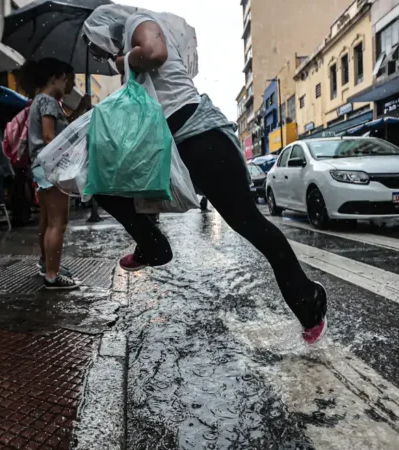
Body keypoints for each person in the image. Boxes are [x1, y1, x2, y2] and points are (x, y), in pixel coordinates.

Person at [82, 5, 327, 343]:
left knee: (249, 224)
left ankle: (308, 300)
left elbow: (154, 53)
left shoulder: (139, 23)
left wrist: (124, 61)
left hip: (202, 139)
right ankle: (152, 245)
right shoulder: (129, 47)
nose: (101, 56)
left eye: (98, 48)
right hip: (174, 146)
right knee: (100, 181)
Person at [22, 58, 91, 290]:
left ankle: (46, 264)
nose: (67, 84)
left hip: (41, 167)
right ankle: (52, 276)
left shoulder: (40, 100)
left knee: (47, 221)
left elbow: (58, 130)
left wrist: (81, 110)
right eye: (65, 79)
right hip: (52, 169)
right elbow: (51, 137)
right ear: (54, 78)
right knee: (58, 223)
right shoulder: (49, 101)